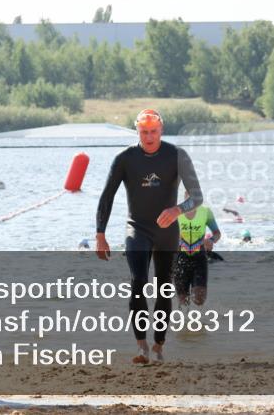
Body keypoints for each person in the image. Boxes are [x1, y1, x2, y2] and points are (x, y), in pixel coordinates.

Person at [95, 109, 203, 364]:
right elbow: (107, 196)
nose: (149, 136)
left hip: (167, 230)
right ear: (137, 132)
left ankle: (159, 345)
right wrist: (100, 233)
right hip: (137, 228)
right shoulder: (125, 158)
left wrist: (177, 209)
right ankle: (142, 346)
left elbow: (197, 196)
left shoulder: (177, 155)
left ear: (161, 130)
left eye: (153, 131)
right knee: (138, 282)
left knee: (163, 289)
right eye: (144, 132)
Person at [173, 191, 221, 307]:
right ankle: (184, 323)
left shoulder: (205, 212)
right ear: (185, 198)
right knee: (183, 301)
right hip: (180, 258)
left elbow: (217, 233)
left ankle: (199, 322)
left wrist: (211, 240)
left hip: (199, 258)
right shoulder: (175, 213)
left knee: (199, 299)